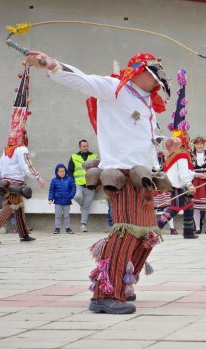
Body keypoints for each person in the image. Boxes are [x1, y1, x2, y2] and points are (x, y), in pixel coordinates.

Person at [27, 50, 171, 314]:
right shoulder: (113, 87)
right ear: (140, 71)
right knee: (126, 231)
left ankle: (125, 281)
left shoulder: (146, 102)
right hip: (122, 175)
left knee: (147, 235)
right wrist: (52, 64)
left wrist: (164, 142)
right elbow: (82, 80)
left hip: (145, 176)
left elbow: (146, 136)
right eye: (155, 77)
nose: (158, 84)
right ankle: (104, 293)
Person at [157, 137, 197, 239]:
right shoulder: (181, 155)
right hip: (179, 185)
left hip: (175, 184)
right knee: (174, 209)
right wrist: (189, 184)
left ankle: (188, 232)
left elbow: (181, 171)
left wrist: (195, 174)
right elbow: (182, 173)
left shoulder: (172, 155)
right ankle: (156, 228)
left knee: (189, 207)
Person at [68, 139, 98, 232]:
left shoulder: (94, 156)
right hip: (78, 184)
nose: (85, 148)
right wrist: (72, 182)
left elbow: (98, 170)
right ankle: (83, 206)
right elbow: (70, 171)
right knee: (77, 197)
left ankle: (83, 225)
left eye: (87, 146)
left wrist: (96, 184)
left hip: (90, 185)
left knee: (86, 207)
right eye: (83, 146)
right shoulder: (74, 157)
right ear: (80, 147)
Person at [48, 163, 77, 234]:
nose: (62, 173)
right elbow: (51, 190)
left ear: (65, 171)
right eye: (60, 171)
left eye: (63, 171)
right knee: (58, 215)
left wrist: (71, 195)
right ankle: (57, 228)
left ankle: (68, 228)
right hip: (58, 202)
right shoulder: (54, 181)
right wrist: (50, 199)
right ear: (57, 172)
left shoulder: (69, 179)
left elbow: (73, 188)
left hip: (67, 201)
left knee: (67, 216)